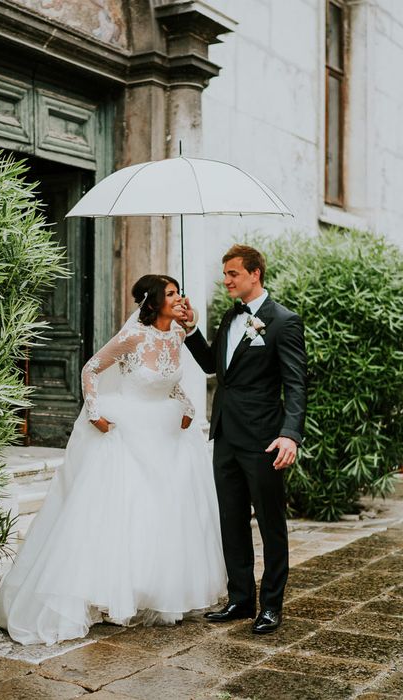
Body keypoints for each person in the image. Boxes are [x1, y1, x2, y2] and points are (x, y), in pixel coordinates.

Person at [0, 275, 226, 645]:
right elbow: (90, 369)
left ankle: (145, 591)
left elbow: (170, 379)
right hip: (128, 432)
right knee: (124, 513)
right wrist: (95, 413)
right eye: (170, 293)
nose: (178, 297)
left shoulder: (177, 336)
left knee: (160, 515)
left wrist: (187, 404)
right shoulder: (133, 337)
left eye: (178, 291)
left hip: (166, 434)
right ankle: (106, 597)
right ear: (152, 301)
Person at [181, 244, 306, 634]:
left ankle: (271, 605)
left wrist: (290, 434)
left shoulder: (284, 321)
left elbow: (296, 384)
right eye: (225, 274)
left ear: (255, 274)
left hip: (264, 440)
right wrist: (191, 329)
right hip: (226, 436)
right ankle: (239, 599)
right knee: (231, 520)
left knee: (270, 523)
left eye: (233, 273)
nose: (226, 280)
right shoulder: (229, 318)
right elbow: (211, 366)